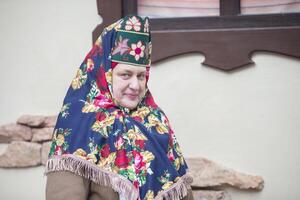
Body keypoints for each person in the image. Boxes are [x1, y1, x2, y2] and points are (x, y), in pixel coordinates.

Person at [45, 15, 194, 200]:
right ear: (104, 73)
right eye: (125, 74)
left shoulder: (155, 121)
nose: (136, 85)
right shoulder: (79, 123)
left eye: (141, 76)